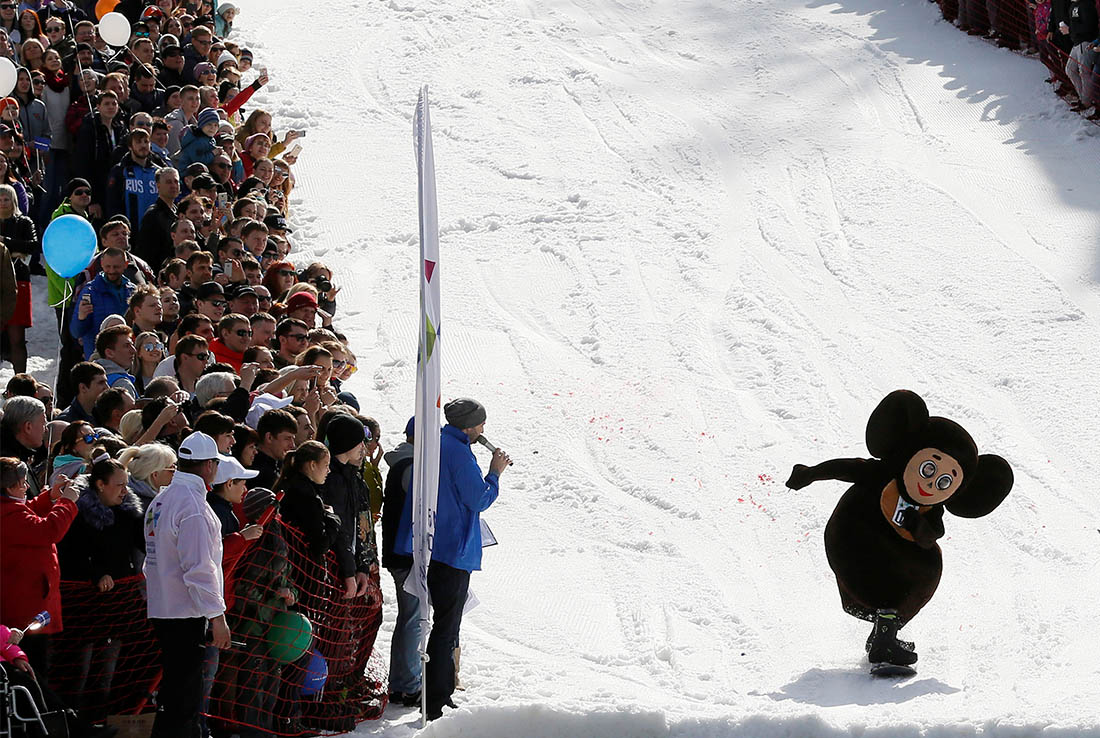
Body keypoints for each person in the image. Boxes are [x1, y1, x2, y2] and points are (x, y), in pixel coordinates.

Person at [395, 398, 510, 721]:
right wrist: (494, 474)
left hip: (427, 544)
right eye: (481, 424)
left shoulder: (436, 443)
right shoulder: (459, 452)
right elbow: (478, 498)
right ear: (470, 426)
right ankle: (436, 700)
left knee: (436, 622)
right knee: (447, 627)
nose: (483, 430)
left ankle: (432, 693)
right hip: (452, 549)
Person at [143, 431, 233, 738]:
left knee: (175, 695)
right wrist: (217, 617)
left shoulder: (162, 499)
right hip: (185, 613)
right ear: (209, 466)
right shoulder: (193, 506)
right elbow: (198, 569)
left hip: (163, 607)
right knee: (185, 700)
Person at [55, 456, 144, 726]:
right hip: (84, 609)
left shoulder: (128, 514)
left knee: (107, 672)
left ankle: (97, 723)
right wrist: (95, 575)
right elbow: (67, 555)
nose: (125, 491)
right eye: (119, 485)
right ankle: (72, 725)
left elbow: (142, 544)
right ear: (100, 485)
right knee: (79, 672)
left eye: (126, 485)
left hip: (118, 607)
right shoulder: (80, 515)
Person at [0, 455, 79, 687]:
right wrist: (67, 502)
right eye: (22, 482)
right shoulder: (7, 514)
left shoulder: (9, 509)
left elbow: (27, 511)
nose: (26, 486)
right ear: (9, 486)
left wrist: (51, 497)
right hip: (24, 609)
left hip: (28, 601)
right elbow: (47, 530)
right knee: (34, 670)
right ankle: (38, 720)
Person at [382, 417, 419, 705]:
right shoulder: (410, 467)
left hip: (400, 553)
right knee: (414, 618)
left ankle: (400, 683)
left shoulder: (403, 463)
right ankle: (408, 684)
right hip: (406, 554)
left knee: (410, 617)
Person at [70, 247, 136, 358]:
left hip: (127, 356)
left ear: (126, 264)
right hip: (99, 357)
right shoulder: (90, 291)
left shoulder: (132, 291)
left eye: (116, 267)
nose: (111, 271)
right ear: (101, 264)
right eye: (107, 266)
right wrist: (81, 318)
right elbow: (76, 333)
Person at [0, 182, 36, 372]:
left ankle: (20, 380)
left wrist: (6, 243)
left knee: (17, 337)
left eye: (6, 199)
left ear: (13, 200)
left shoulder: (24, 222)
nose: (2, 203)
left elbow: (32, 246)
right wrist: (13, 251)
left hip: (19, 281)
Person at [136, 166, 179, 271]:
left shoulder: (178, 212)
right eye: (169, 182)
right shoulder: (153, 215)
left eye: (176, 181)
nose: (173, 185)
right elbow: (145, 252)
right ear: (158, 186)